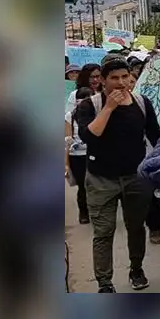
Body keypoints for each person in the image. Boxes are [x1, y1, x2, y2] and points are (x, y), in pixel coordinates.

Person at [74, 59, 160, 292]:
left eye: (125, 77)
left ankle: (136, 269)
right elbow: (89, 137)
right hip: (101, 179)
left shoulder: (142, 103)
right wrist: (109, 108)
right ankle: (104, 282)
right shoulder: (89, 105)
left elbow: (156, 136)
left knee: (135, 227)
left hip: (136, 177)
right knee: (103, 232)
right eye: (114, 78)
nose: (121, 83)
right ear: (102, 81)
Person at [65, 87, 93, 224]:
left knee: (94, 184)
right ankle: (83, 212)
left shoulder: (96, 114)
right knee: (82, 185)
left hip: (92, 154)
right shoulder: (69, 116)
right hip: (76, 155)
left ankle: (95, 210)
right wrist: (65, 163)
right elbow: (67, 138)